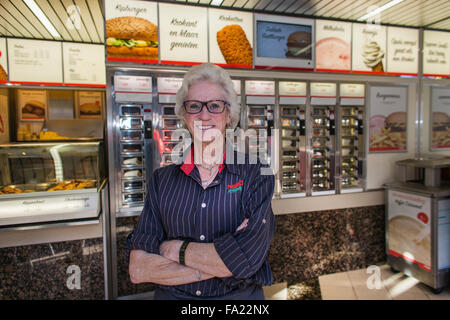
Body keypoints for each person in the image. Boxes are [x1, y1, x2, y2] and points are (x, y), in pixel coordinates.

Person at [126, 63, 276, 300]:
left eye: (215, 106)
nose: (205, 115)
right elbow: (138, 268)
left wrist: (174, 249)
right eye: (194, 106)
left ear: (228, 115)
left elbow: (248, 260)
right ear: (184, 116)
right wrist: (222, 263)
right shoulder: (161, 181)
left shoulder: (256, 174)